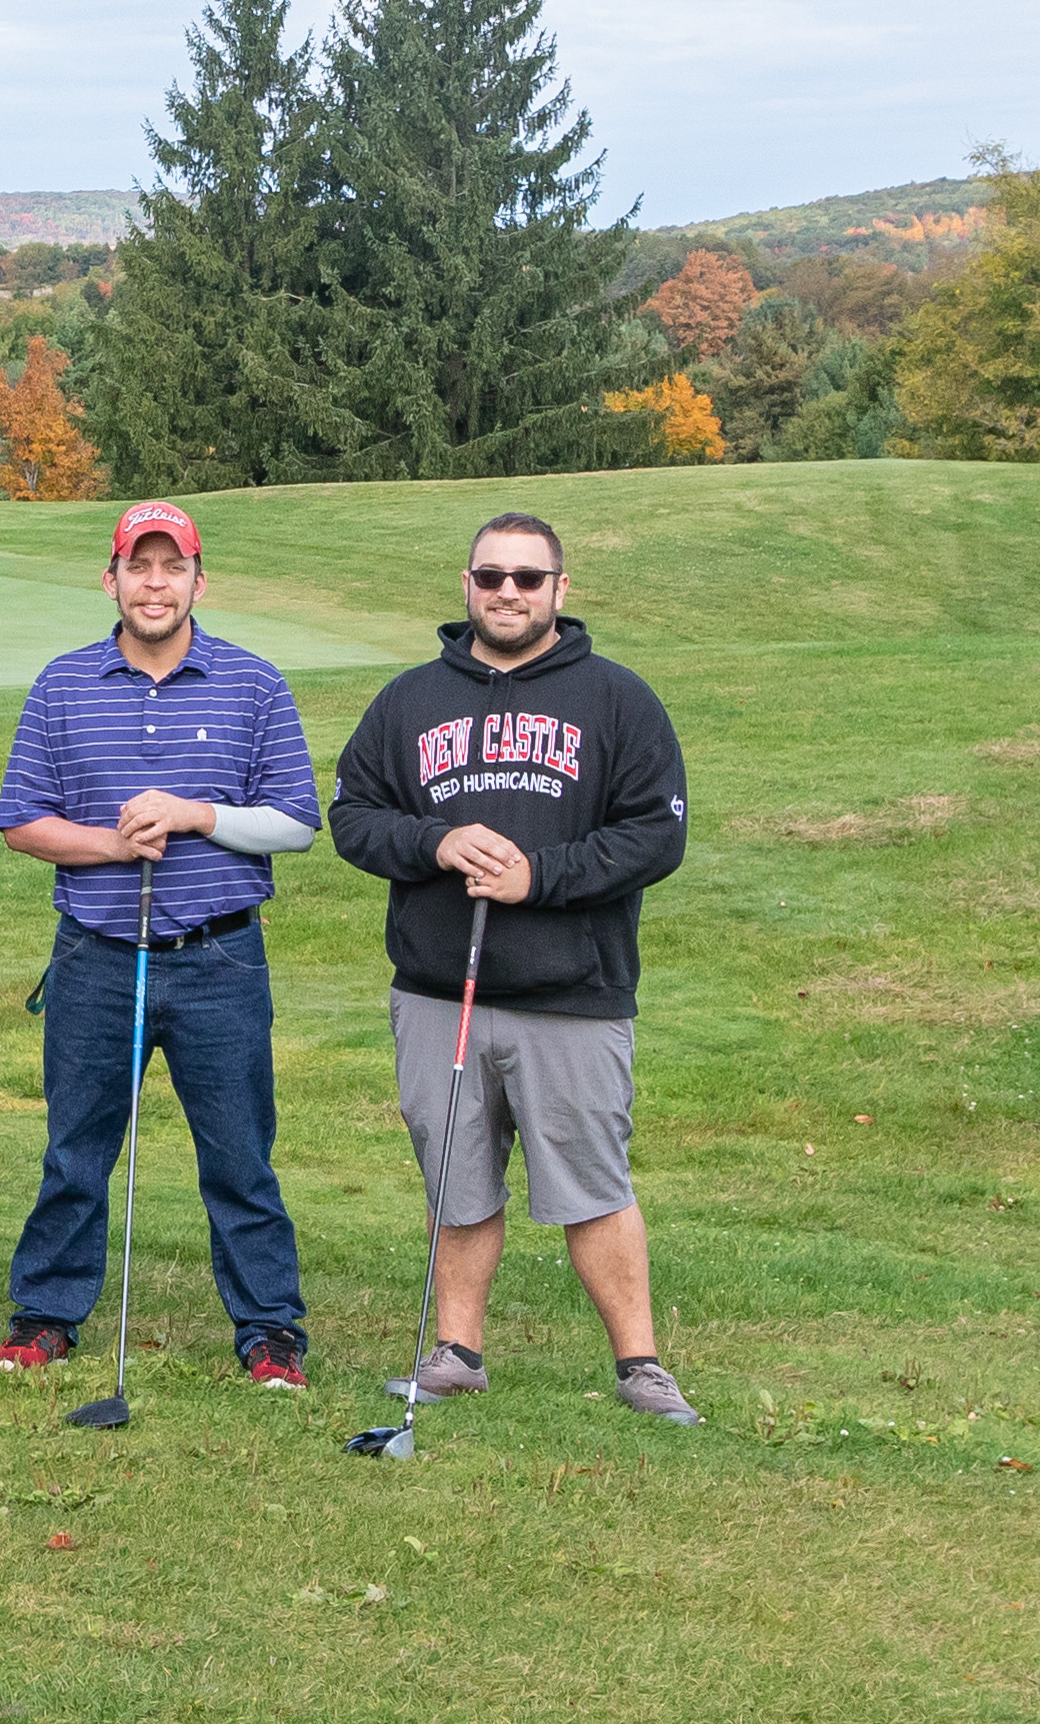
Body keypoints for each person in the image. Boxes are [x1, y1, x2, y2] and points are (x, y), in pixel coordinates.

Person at [330, 511, 698, 1424]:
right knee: (454, 1180)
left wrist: (543, 876)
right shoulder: (409, 699)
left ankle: (641, 1364)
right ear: (465, 584)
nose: (507, 592)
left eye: (527, 578)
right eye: (490, 575)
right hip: (437, 990)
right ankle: (455, 1351)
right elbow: (352, 817)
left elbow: (657, 832)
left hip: (571, 991)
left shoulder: (617, 699)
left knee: (592, 1185)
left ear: (559, 591)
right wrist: (434, 838)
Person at [0, 501, 322, 1389]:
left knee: (239, 1154)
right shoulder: (63, 684)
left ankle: (269, 1332)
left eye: (172, 567)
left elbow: (295, 823)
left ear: (197, 582)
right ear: (112, 579)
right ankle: (45, 1317)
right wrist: (110, 843)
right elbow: (20, 819)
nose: (154, 583)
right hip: (96, 954)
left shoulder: (252, 684)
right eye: (139, 566)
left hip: (218, 958)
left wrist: (195, 816)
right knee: (74, 1151)